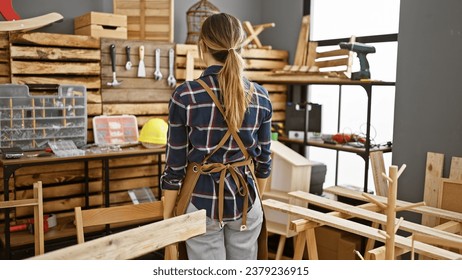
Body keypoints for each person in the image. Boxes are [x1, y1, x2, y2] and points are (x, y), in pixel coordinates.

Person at [160, 12, 272, 260]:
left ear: (203, 45)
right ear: (241, 46)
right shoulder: (261, 96)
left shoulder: (185, 95)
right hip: (247, 202)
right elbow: (264, 164)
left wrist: (168, 217)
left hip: (201, 203)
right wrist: (254, 202)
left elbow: (174, 166)